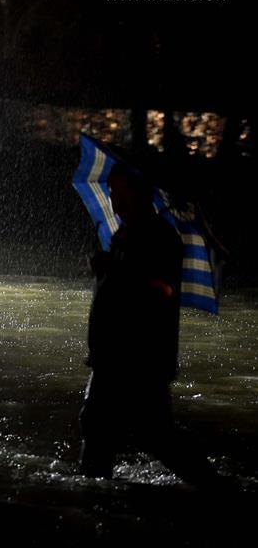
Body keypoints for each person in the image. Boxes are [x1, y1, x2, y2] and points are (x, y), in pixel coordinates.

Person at [79, 168, 220, 486]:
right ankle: (93, 491)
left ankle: (214, 486)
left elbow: (163, 290)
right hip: (110, 353)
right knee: (97, 425)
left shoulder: (160, 236)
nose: (115, 201)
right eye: (112, 192)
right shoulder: (123, 235)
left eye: (121, 192)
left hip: (142, 355)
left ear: (140, 193)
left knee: (152, 433)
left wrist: (114, 268)